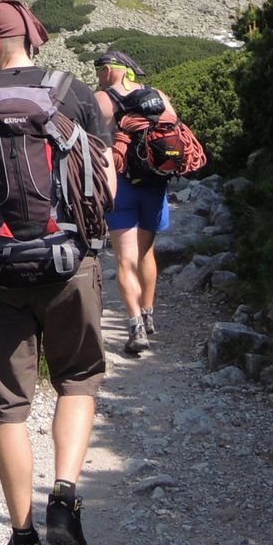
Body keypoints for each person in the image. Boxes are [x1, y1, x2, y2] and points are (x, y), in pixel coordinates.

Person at [0, 0, 114, 545]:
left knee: (9, 407)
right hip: (70, 265)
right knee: (78, 381)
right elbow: (106, 184)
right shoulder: (74, 94)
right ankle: (64, 495)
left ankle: (21, 542)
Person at [93, 50, 172, 357]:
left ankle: (135, 326)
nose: (98, 75)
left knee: (125, 259)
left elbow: (91, 141)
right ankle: (149, 312)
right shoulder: (158, 95)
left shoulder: (103, 99)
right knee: (146, 252)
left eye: (101, 69)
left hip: (122, 185)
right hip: (154, 184)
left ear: (114, 70)